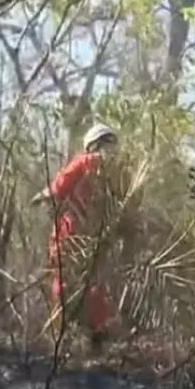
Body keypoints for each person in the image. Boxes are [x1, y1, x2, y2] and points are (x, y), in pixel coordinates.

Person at [30, 123, 122, 347]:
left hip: (71, 232)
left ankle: (61, 332)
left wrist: (39, 197)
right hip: (97, 236)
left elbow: (59, 187)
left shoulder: (84, 161)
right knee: (94, 283)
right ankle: (96, 334)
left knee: (62, 279)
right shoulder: (119, 171)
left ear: (91, 145)